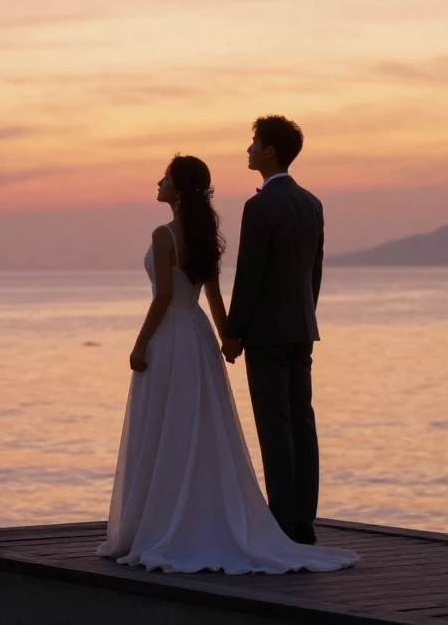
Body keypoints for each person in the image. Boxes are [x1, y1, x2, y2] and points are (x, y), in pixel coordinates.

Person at [97, 153, 357, 574]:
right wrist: (226, 339)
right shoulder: (204, 232)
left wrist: (139, 344)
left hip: (170, 336)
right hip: (197, 336)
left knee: (166, 427)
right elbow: (215, 297)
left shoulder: (163, 235)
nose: (157, 183)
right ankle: (219, 516)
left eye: (164, 178)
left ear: (178, 188)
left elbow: (163, 297)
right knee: (197, 427)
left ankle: (159, 521)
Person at [221, 116, 328, 546]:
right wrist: (304, 314)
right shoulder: (312, 203)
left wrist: (233, 332)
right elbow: (314, 273)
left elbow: (249, 275)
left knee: (275, 425)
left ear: (269, 152)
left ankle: (280, 521)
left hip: (266, 333)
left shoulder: (259, 206)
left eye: (253, 143)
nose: (247, 150)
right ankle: (304, 520)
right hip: (302, 327)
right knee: (302, 421)